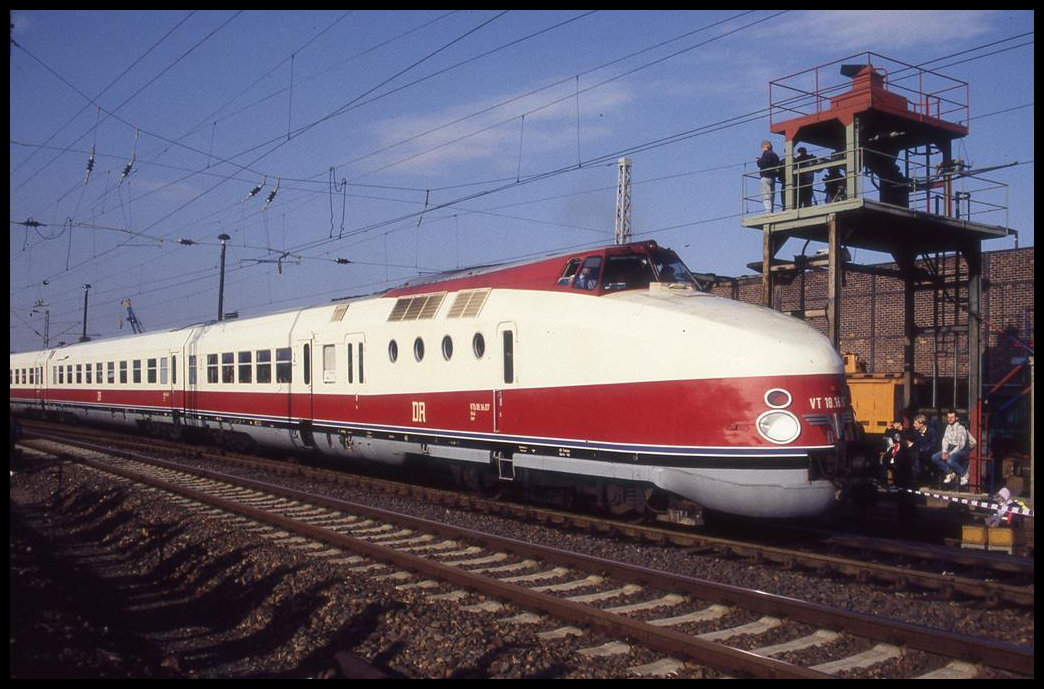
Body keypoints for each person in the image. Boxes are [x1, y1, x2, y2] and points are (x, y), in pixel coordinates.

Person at [930, 410, 971, 488]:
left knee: (950, 460)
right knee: (934, 457)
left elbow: (961, 445)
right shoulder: (948, 427)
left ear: (956, 418)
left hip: (961, 449)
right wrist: (944, 451)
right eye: (948, 417)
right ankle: (950, 472)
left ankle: (963, 474)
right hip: (950, 448)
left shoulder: (961, 428)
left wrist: (949, 454)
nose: (949, 419)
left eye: (952, 417)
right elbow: (945, 440)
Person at [910, 414, 938, 484]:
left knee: (917, 457)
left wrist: (923, 448)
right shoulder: (915, 432)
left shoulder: (932, 431)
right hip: (919, 452)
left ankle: (918, 479)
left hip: (930, 453)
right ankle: (915, 477)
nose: (913, 425)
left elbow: (934, 444)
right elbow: (915, 443)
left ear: (921, 423)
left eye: (915, 423)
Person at [755, 140, 780, 213]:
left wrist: (758, 161)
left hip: (766, 176)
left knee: (766, 193)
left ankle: (768, 209)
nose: (762, 148)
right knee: (772, 193)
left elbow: (763, 164)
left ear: (765, 146)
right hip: (773, 176)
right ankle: (771, 209)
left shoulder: (766, 154)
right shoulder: (775, 154)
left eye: (762, 147)